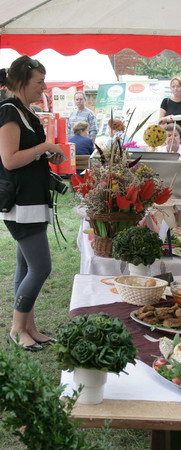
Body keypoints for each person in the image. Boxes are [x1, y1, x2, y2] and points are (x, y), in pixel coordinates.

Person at [0, 55, 65, 351]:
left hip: (32, 201)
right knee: (40, 268)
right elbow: (9, 160)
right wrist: (44, 147)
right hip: (21, 204)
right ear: (21, 81)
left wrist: (45, 154)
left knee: (25, 269)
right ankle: (17, 328)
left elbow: (26, 155)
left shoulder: (26, 112)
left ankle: (29, 326)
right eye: (39, 82)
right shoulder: (9, 112)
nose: (44, 87)